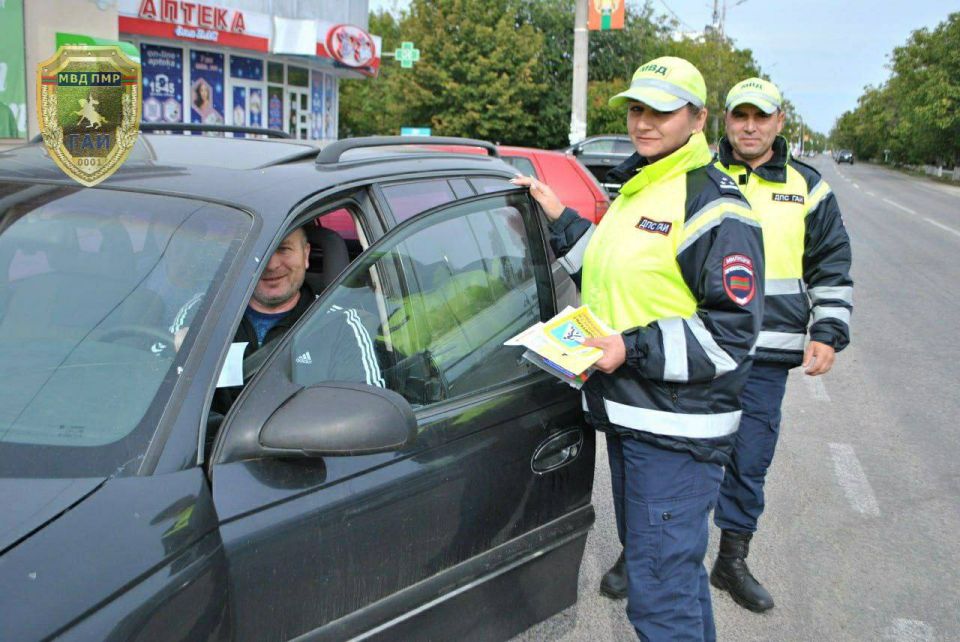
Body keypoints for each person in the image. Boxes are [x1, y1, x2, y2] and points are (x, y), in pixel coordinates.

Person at [512, 56, 765, 640]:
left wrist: (630, 350)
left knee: (658, 597)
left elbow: (730, 335)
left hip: (675, 432)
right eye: (635, 108)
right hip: (637, 418)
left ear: (699, 118)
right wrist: (561, 221)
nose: (643, 122)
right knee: (672, 579)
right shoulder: (642, 185)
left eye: (661, 109)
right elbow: (613, 278)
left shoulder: (710, 202)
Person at [709, 77, 853, 612]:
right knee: (679, 453)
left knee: (749, 457)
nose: (749, 126)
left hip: (766, 356)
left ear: (778, 122)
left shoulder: (808, 187)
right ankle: (651, 555)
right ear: (725, 120)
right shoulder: (699, 175)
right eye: (740, 115)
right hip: (699, 347)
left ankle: (731, 560)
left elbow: (832, 264)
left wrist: (828, 332)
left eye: (760, 116)